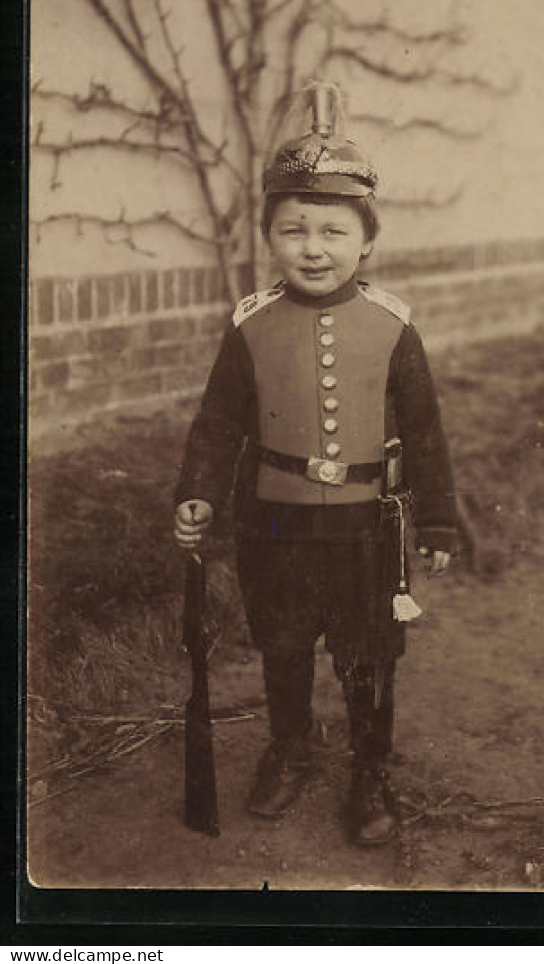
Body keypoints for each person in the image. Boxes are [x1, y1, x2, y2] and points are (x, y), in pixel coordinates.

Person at [173, 82, 457, 846]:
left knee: (366, 652)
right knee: (285, 643)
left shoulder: (392, 326)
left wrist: (436, 517)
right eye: (293, 229)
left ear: (366, 240)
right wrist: (197, 491)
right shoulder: (250, 325)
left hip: (367, 528)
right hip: (273, 521)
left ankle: (370, 767)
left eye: (332, 231)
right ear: (268, 236)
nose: (313, 247)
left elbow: (425, 432)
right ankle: (289, 747)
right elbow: (216, 422)